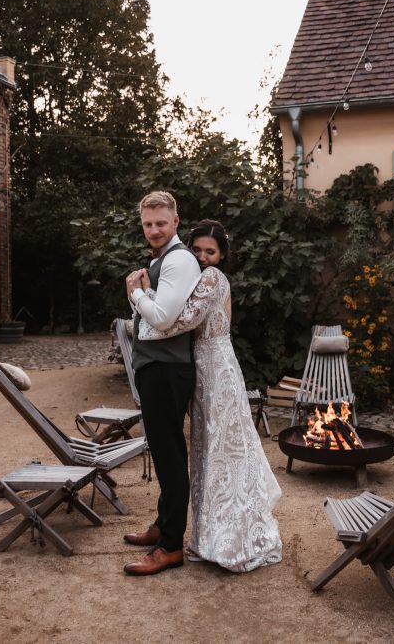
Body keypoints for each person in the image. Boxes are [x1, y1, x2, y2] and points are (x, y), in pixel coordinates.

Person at [134, 219, 283, 572]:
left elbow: (180, 319)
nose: (203, 257)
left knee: (221, 452)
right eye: (197, 250)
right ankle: (199, 530)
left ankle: (231, 537)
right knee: (205, 451)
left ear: (223, 255)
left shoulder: (213, 279)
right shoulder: (196, 277)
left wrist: (140, 294)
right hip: (200, 368)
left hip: (216, 370)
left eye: (210, 252)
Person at [122, 191, 201, 576]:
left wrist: (135, 292)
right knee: (163, 450)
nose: (153, 230)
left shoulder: (179, 260)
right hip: (157, 368)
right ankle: (162, 526)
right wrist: (142, 293)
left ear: (175, 222)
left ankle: (171, 546)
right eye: (148, 224)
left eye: (160, 223)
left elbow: (164, 318)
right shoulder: (161, 260)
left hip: (167, 371)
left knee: (169, 456)